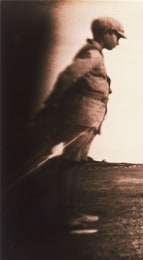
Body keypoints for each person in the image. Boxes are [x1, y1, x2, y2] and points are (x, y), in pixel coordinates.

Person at [30, 16, 126, 229]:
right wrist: (50, 106)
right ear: (106, 33)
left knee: (74, 164)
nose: (118, 41)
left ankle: (70, 212)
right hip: (80, 118)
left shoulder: (95, 54)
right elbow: (67, 77)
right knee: (70, 164)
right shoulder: (92, 55)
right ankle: (65, 215)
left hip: (87, 119)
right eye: (117, 36)